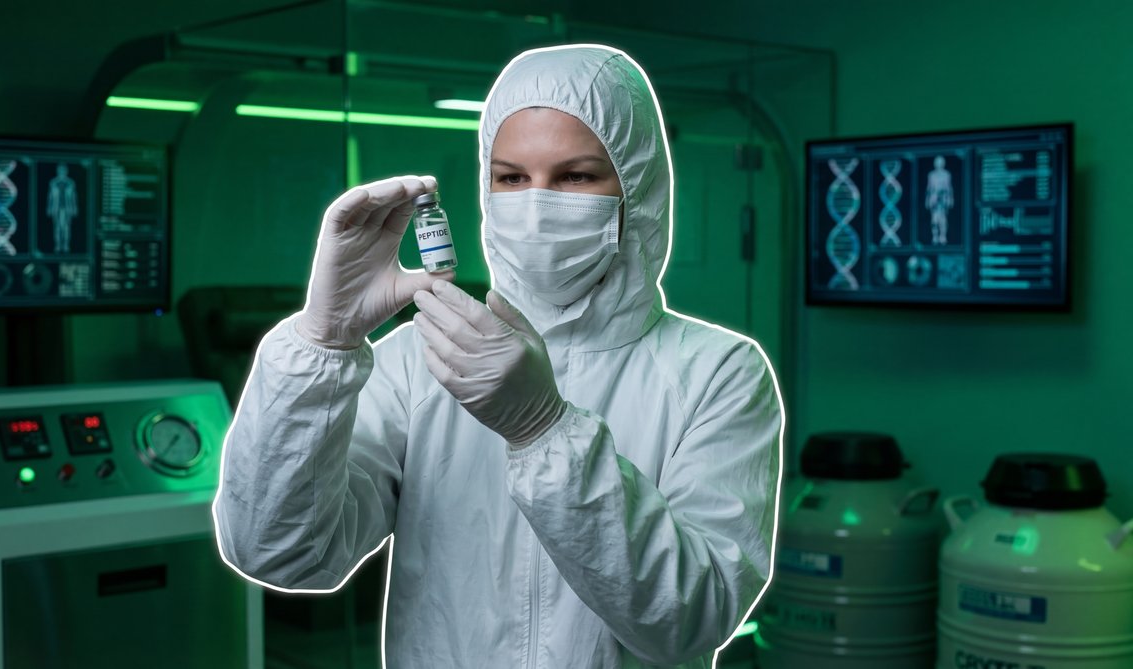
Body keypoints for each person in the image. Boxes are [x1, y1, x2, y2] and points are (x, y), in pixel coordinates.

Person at [213, 44, 784, 668]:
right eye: (512, 177)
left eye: (575, 176)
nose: (536, 204)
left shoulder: (718, 372)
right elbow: (280, 553)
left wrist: (545, 432)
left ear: (637, 190)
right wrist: (322, 344)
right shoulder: (418, 359)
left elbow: (691, 619)